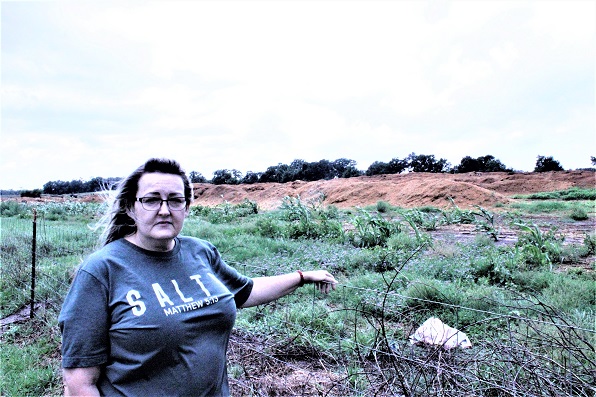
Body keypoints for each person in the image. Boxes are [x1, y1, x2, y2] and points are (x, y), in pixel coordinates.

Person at [58, 158, 337, 396]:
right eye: (152, 200)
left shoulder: (200, 252)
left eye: (175, 200)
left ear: (187, 207)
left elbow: (244, 291)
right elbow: (80, 382)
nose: (165, 210)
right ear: (131, 208)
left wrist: (301, 276)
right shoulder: (101, 271)